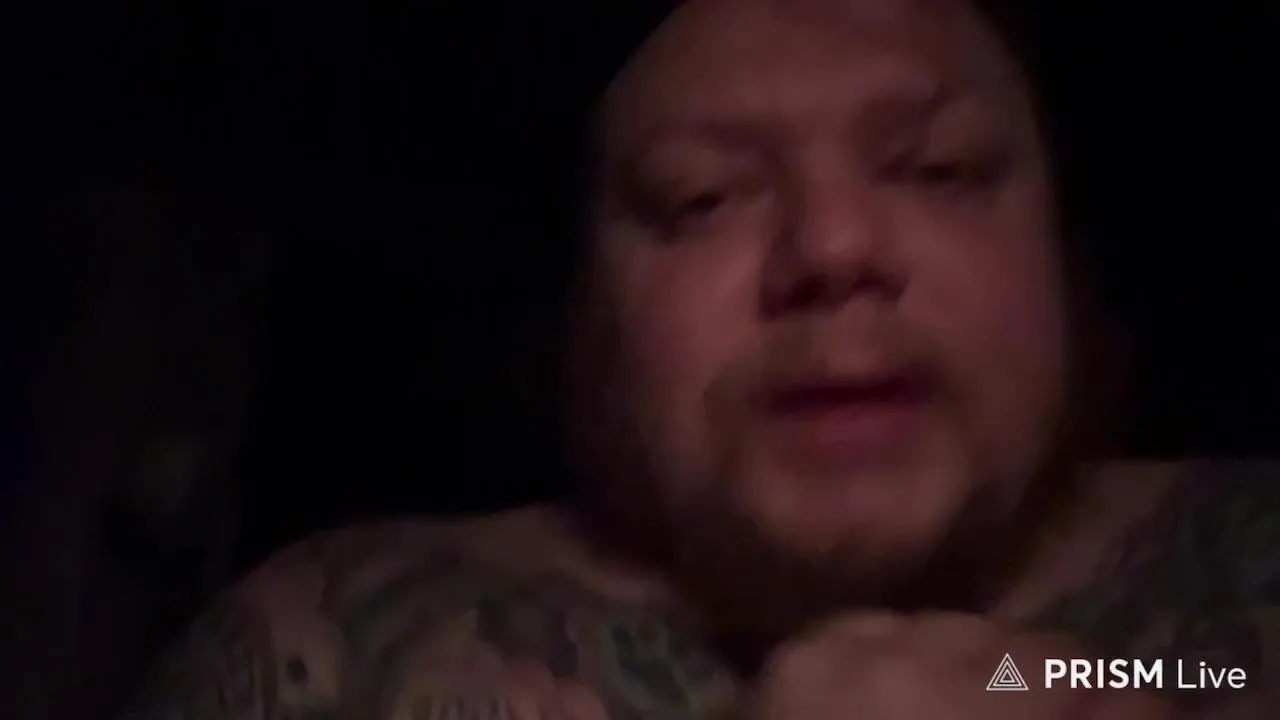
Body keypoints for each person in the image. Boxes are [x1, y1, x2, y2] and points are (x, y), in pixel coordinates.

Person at [122, 0, 1278, 718]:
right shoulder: (326, 650)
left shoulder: (1234, 588)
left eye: (939, 170)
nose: (832, 248)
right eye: (699, 199)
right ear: (589, 320)